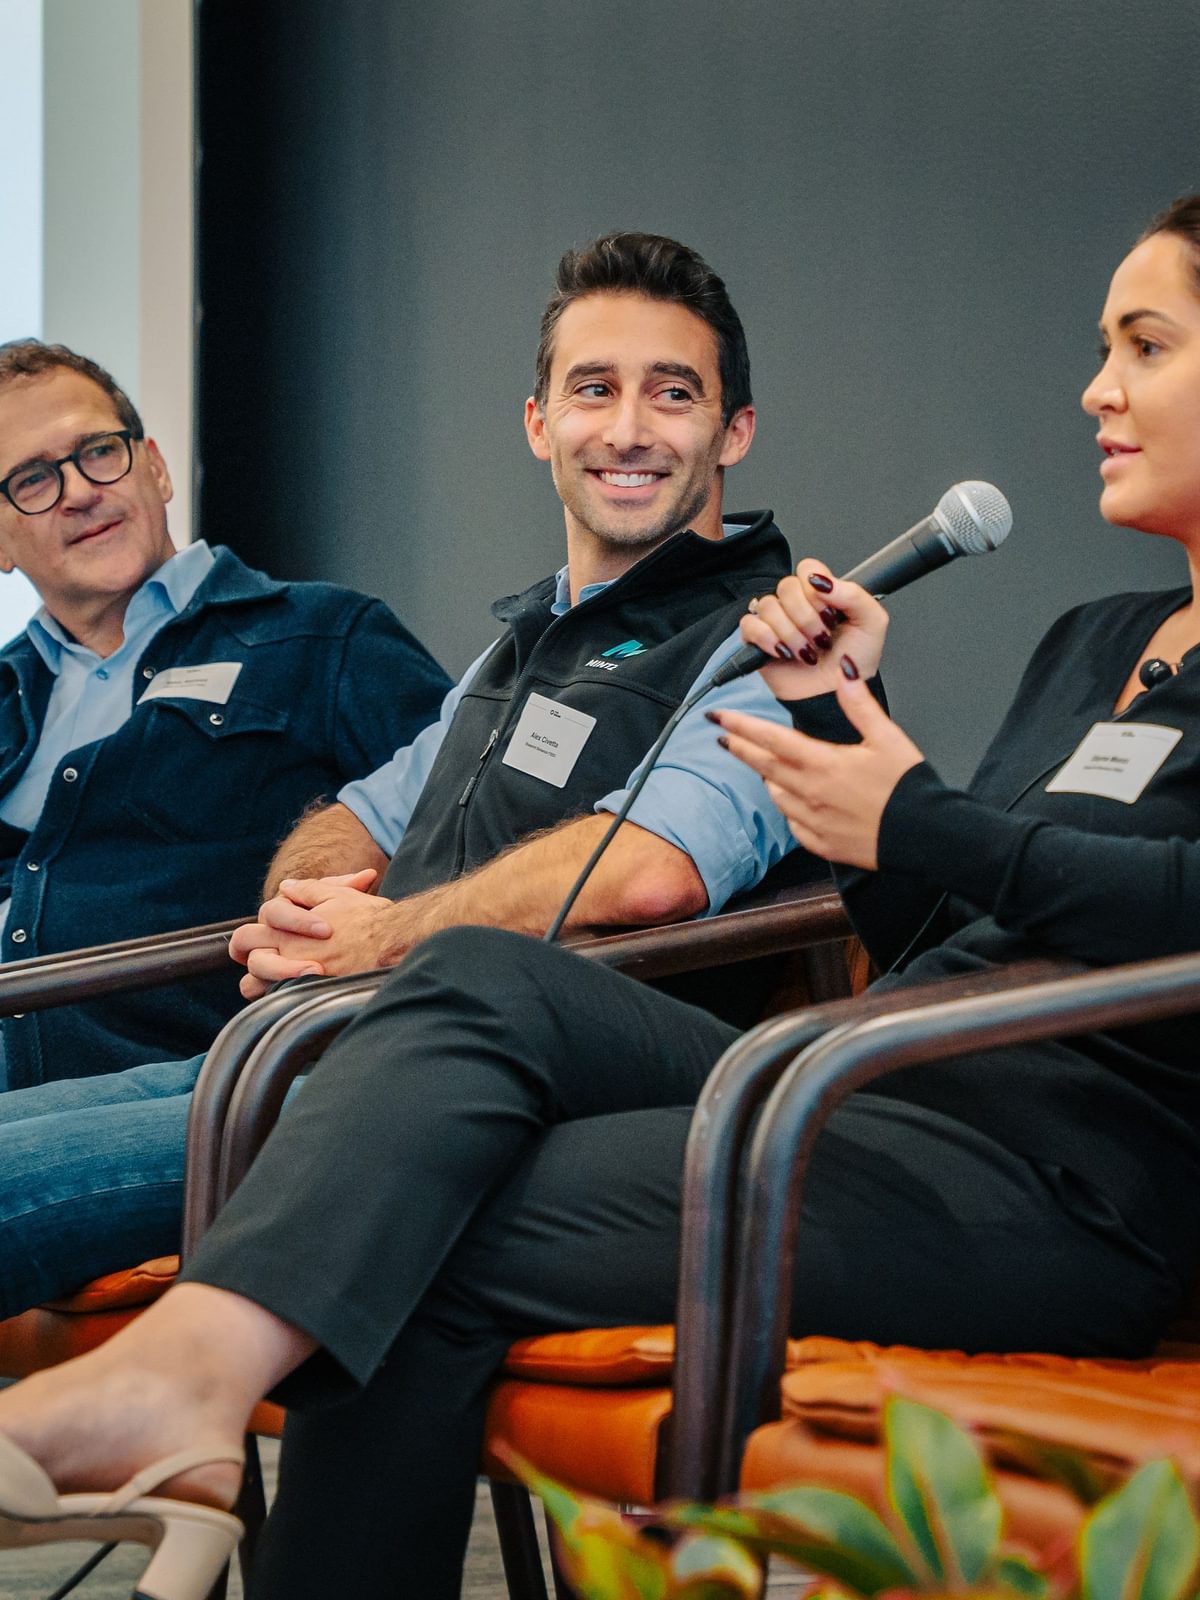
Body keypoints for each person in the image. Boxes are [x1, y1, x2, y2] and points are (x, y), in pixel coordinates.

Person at [18, 187, 1200, 1600]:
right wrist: (840, 727)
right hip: (871, 1098)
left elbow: (1130, 903)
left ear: (731, 432)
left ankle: (176, 1392)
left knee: (411, 1233)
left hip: (1065, 1187)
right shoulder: (1098, 637)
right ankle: (183, 1391)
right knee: (476, 980)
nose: (1095, 387)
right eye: (1106, 345)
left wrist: (922, 818)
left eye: (1142, 344)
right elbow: (951, 942)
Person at [0, 234, 803, 1318]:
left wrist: (388, 933)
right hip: (307, 1054)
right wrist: (313, 898)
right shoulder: (520, 649)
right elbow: (361, 810)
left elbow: (654, 867)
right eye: (592, 389)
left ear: (734, 430)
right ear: (539, 425)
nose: (625, 428)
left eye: (671, 394)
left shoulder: (777, 642)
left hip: (474, 1105)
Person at [0, 339, 449, 1092]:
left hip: (204, 1078)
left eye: (98, 452)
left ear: (157, 467)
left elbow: (467, 830)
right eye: (33, 480)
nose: (78, 490)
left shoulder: (325, 637)